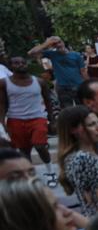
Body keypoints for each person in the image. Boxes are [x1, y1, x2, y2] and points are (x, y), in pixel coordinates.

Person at [56, 105, 98, 216]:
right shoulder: (82, 158)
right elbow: (95, 204)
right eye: (91, 124)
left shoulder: (93, 154)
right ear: (73, 130)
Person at [0, 55, 55, 183]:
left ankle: (50, 171)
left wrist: (52, 120)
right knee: (24, 151)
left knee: (40, 145)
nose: (20, 65)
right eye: (16, 63)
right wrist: (2, 123)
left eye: (23, 62)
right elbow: (2, 104)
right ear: (11, 66)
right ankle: (32, 176)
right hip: (15, 119)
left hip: (37, 118)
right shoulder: (4, 83)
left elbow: (48, 101)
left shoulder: (39, 81)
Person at [29, 35, 86, 108]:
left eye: (59, 42)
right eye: (55, 44)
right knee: (67, 111)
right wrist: (46, 43)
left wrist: (87, 85)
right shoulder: (52, 54)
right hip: (62, 88)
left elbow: (83, 71)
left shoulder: (76, 55)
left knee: (83, 109)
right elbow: (31, 53)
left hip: (78, 86)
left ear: (63, 42)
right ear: (52, 46)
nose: (58, 45)